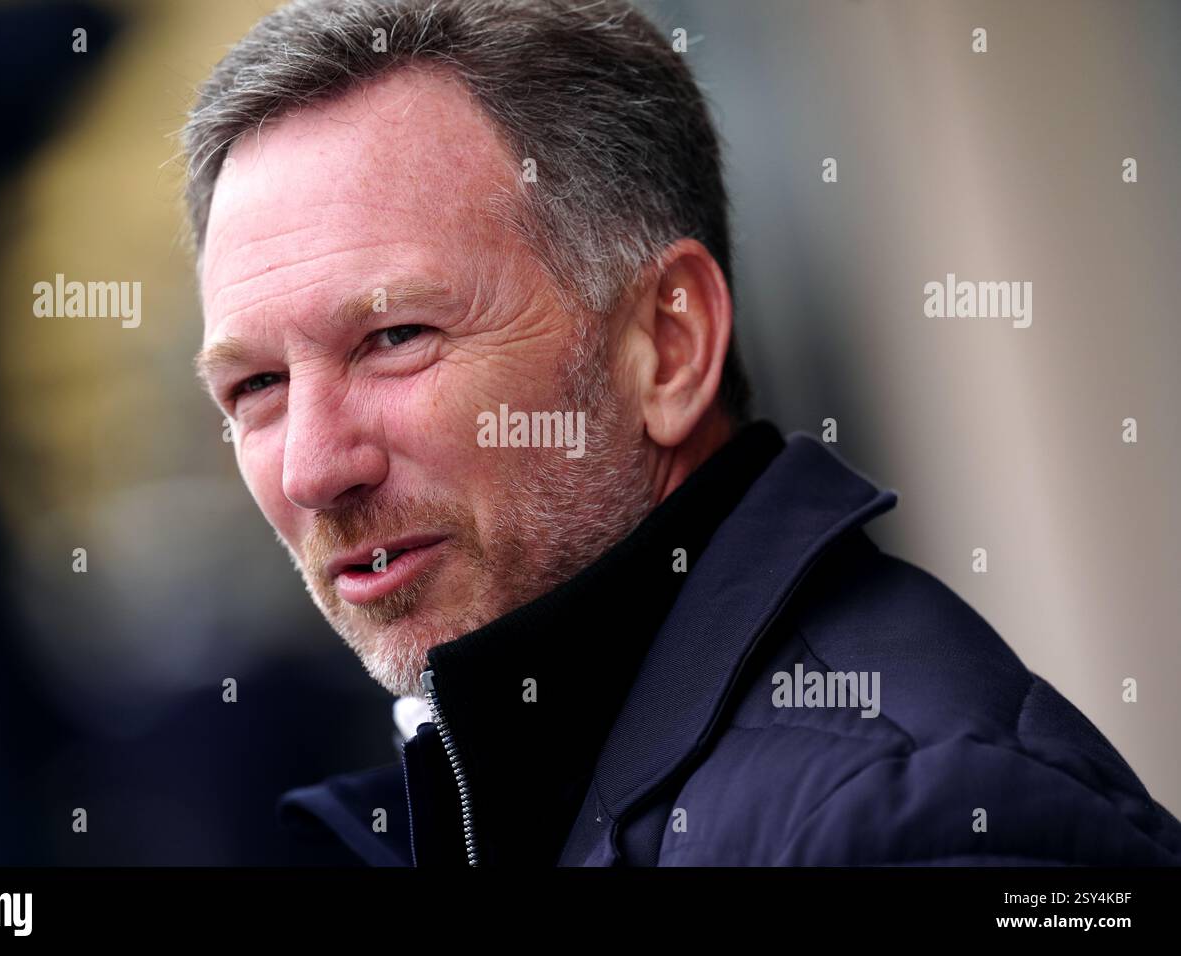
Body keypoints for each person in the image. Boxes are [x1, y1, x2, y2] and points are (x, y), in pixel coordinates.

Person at [182, 0, 1181, 865]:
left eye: (396, 336)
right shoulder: (496, 786)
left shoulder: (916, 824)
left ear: (665, 345)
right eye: (256, 383)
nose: (314, 467)